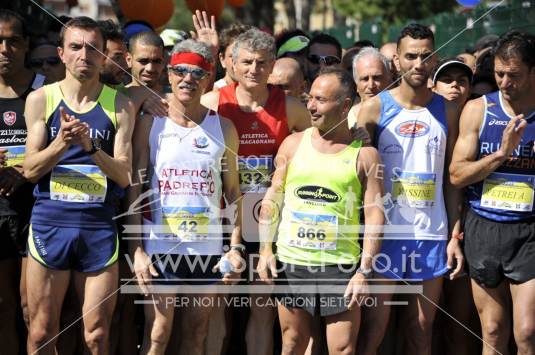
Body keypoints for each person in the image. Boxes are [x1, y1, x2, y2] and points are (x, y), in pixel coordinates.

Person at [23, 16, 134, 354]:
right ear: (62, 53)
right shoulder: (42, 99)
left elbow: (125, 175)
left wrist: (91, 148)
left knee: (97, 335)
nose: (84, 55)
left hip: (97, 228)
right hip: (50, 225)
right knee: (41, 332)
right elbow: (29, 170)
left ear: (104, 56)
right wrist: (60, 144)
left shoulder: (120, 104)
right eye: (75, 47)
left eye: (93, 48)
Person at [127, 39, 243, 355]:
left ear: (208, 78)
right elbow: (134, 187)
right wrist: (136, 249)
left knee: (196, 333)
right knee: (157, 334)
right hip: (160, 244)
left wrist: (234, 247)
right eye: (180, 70)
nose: (187, 79)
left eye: (197, 73)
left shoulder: (224, 126)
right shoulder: (150, 120)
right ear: (169, 73)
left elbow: (233, 192)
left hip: (206, 247)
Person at [257, 67, 384, 355]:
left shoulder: (365, 155)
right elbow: (272, 199)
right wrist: (266, 249)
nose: (311, 106)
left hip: (340, 267)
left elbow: (376, 215)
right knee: (292, 344)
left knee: (342, 349)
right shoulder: (292, 144)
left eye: (321, 100)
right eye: (310, 98)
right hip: (292, 261)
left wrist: (364, 271)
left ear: (345, 106)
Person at [202, 27, 310, 355]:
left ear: (272, 64)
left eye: (262, 63)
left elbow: (321, 145)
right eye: (246, 62)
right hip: (225, 218)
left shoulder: (289, 106)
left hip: (269, 219)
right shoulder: (213, 103)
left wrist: (356, 134)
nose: (253, 69)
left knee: (261, 310)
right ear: (232, 64)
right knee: (215, 309)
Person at [357, 23, 464, 355]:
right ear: (396, 62)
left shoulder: (448, 108)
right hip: (385, 236)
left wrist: (454, 234)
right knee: (374, 329)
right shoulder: (375, 108)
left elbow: (452, 177)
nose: (419, 63)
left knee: (421, 330)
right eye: (411, 56)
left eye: (426, 55)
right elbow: (358, 174)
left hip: (432, 235)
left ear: (435, 58)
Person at [450, 30, 535, 355]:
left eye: (513, 75)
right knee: (493, 330)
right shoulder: (478, 110)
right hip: (484, 227)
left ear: (532, 72)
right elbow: (457, 174)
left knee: (527, 332)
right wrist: (500, 154)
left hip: (529, 228)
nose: (504, 82)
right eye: (499, 73)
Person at [0, 9, 45, 355]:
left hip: (38, 211)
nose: (5, 48)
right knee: (4, 310)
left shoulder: (45, 89)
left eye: (13, 41)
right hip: (1, 212)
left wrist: (27, 169)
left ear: (26, 44)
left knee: (32, 311)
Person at [348, 46, 392, 128]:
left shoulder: (400, 114)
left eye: (376, 78)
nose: (371, 85)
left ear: (389, 79)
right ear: (356, 84)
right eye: (365, 79)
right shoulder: (345, 120)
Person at [214, 24, 251, 90]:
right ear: (222, 59)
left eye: (245, 57)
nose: (239, 63)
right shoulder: (215, 93)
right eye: (234, 56)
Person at [98, 20, 128, 90]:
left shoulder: (116, 86)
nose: (125, 66)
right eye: (117, 58)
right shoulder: (84, 90)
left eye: (125, 58)